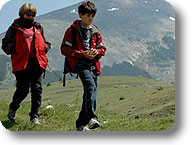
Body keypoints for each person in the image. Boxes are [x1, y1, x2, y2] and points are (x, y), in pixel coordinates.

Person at [60, 1, 107, 131]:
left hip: (93, 65)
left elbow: (102, 48)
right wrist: (82, 54)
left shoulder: (95, 31)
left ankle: (81, 123)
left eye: (92, 16)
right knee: (90, 87)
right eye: (88, 15)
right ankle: (93, 118)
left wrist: (96, 52)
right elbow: (64, 49)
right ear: (80, 15)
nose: (90, 18)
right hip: (80, 64)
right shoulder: (72, 31)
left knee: (90, 92)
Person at [2, 3, 51, 125]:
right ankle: (13, 107)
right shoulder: (14, 28)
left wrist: (44, 47)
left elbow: (46, 43)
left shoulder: (38, 27)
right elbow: (5, 44)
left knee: (37, 90)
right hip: (21, 64)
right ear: (22, 14)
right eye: (28, 14)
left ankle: (34, 117)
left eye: (33, 15)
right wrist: (15, 48)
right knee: (23, 90)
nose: (30, 17)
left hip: (37, 63)